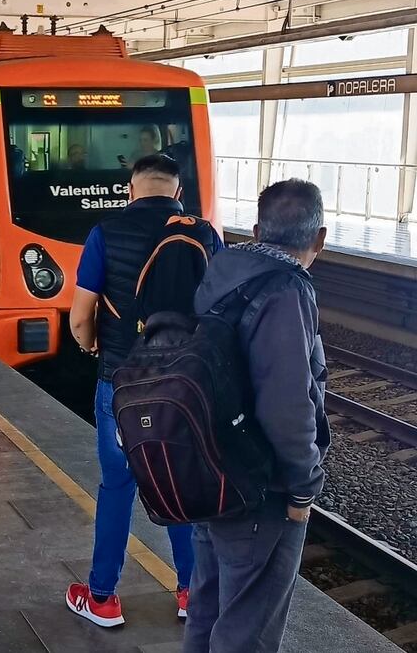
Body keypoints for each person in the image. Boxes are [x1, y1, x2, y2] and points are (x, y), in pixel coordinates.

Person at [65, 154, 223, 628]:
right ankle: (190, 595)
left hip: (121, 382)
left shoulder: (105, 232)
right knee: (177, 481)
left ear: (130, 189)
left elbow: (80, 316)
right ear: (177, 192)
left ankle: (102, 597)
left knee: (118, 486)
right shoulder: (204, 233)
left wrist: (93, 347)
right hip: (184, 386)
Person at [184, 179, 329, 653]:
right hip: (257, 485)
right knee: (248, 629)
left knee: (207, 609)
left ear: (256, 228)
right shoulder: (287, 290)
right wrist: (303, 488)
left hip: (208, 470)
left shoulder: (224, 268)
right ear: (320, 239)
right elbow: (287, 403)